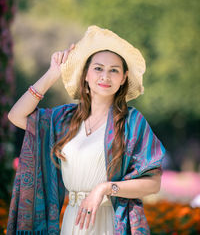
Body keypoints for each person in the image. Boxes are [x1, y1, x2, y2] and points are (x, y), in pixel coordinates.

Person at [7, 25, 166, 235]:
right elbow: (16, 116)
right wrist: (52, 74)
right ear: (85, 75)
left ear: (124, 77)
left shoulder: (131, 122)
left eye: (114, 70)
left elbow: (153, 184)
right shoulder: (64, 119)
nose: (105, 77)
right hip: (73, 220)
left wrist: (105, 188)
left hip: (109, 221)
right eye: (98, 68)